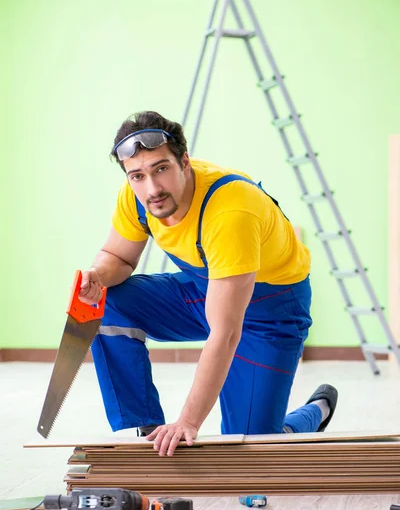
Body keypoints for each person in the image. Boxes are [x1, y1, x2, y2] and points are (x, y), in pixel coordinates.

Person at [78, 110, 338, 457]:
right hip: (207, 291)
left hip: (271, 311)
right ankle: (148, 434)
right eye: (138, 176)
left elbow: (226, 333)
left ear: (184, 162)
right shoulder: (138, 196)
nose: (152, 188)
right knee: (107, 301)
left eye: (161, 169)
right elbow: (119, 257)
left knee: (246, 449)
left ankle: (313, 412)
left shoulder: (230, 211)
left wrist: (187, 422)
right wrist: (98, 275)